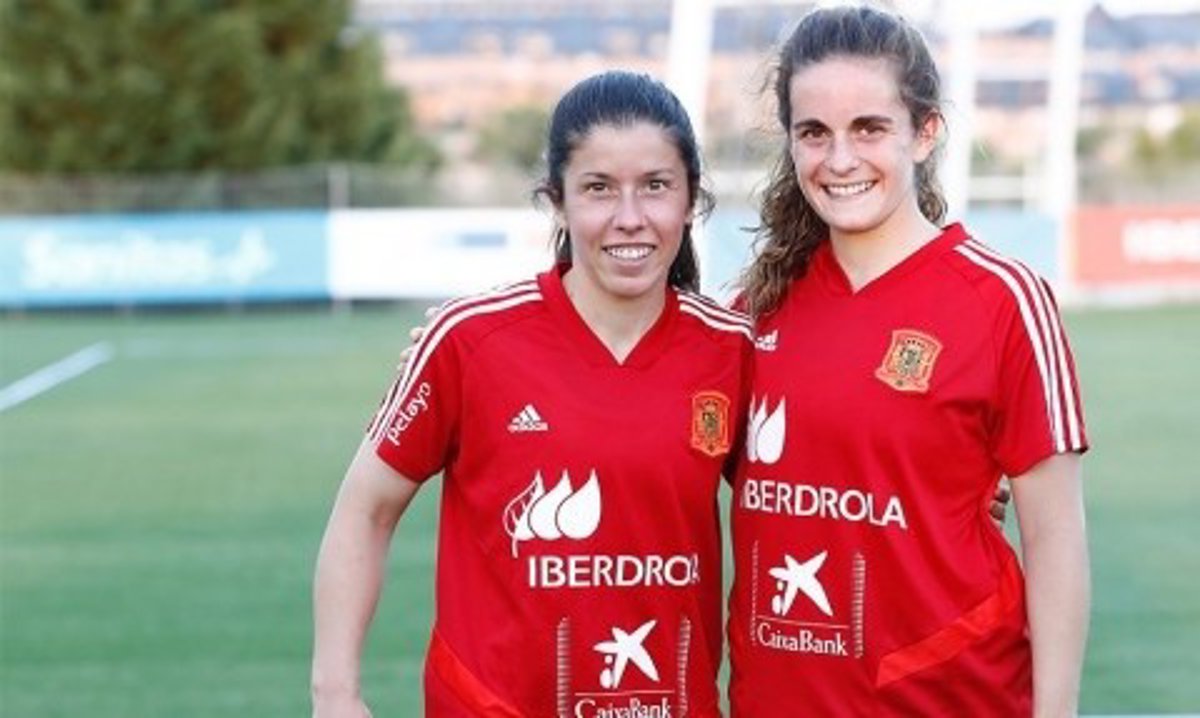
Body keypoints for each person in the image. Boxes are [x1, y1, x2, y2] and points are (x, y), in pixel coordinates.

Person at [311, 70, 754, 717]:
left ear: (691, 200)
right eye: (598, 188)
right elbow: (366, 509)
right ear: (557, 202)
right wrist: (335, 695)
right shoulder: (470, 341)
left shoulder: (733, 349)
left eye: (656, 186)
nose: (630, 217)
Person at [727, 6, 1090, 717]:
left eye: (869, 128)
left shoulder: (1003, 300)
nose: (839, 160)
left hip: (952, 698)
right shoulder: (752, 311)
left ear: (925, 132)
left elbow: (1055, 540)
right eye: (814, 132)